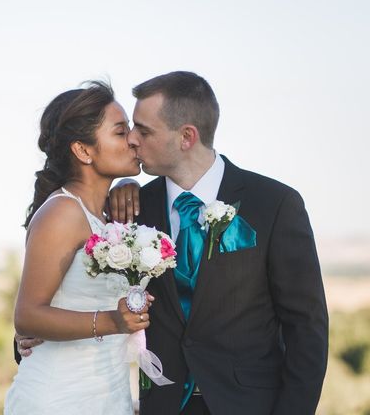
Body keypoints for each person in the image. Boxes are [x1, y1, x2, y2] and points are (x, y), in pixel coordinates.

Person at [18, 71, 329, 415]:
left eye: (143, 130)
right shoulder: (128, 213)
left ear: (186, 137)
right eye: (125, 130)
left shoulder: (273, 204)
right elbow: (53, 297)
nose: (133, 140)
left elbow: (307, 327)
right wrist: (26, 340)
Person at [4, 81, 153, 415]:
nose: (132, 139)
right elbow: (27, 316)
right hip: (58, 398)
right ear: (84, 151)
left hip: (108, 395)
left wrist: (130, 186)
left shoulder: (108, 217)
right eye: (120, 131)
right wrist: (114, 321)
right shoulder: (62, 213)